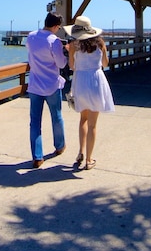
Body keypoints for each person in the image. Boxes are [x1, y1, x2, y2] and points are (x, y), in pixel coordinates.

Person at [65, 16, 115, 170]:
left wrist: (72, 54)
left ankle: (80, 152)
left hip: (80, 81)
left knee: (83, 119)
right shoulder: (100, 43)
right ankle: (89, 159)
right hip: (96, 81)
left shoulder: (74, 45)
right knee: (93, 124)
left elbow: (72, 66)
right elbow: (105, 63)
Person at [25, 12, 68, 168]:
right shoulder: (54, 41)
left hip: (35, 85)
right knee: (56, 116)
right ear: (56, 26)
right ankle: (60, 146)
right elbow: (61, 64)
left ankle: (37, 156)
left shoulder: (31, 36)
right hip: (51, 85)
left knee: (35, 122)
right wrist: (65, 51)